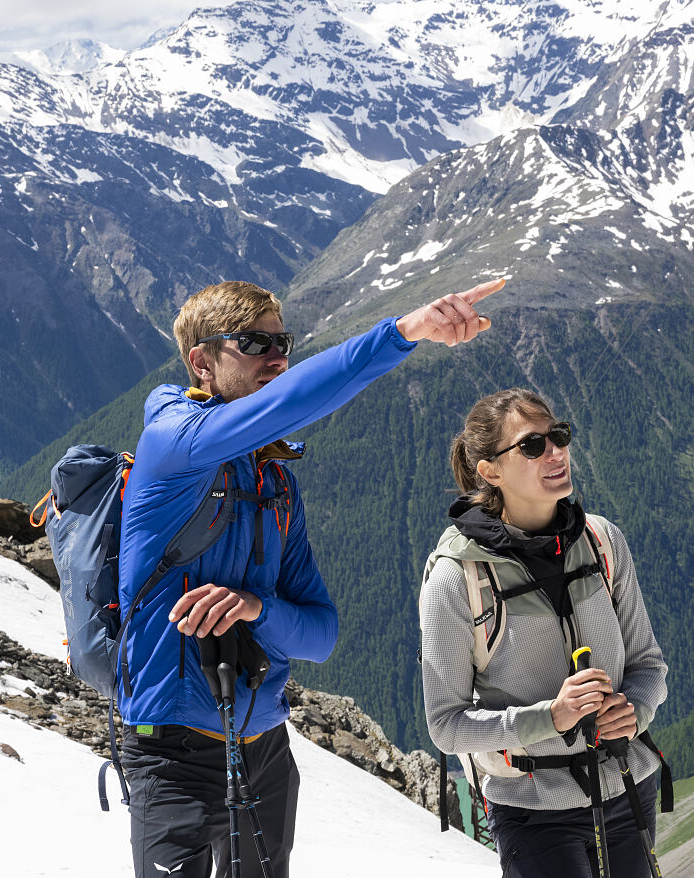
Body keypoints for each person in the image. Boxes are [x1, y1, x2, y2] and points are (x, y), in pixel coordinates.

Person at [116, 276, 503, 878]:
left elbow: (321, 634)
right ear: (202, 362)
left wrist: (256, 609)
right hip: (172, 752)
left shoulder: (275, 485)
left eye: (282, 342)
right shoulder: (172, 444)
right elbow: (287, 402)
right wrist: (404, 333)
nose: (277, 357)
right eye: (253, 343)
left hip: (266, 748)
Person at [420, 388, 668, 877]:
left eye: (559, 436)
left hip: (627, 785)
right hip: (534, 811)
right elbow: (446, 725)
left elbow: (649, 665)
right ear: (490, 471)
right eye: (532, 446)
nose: (555, 452)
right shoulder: (456, 577)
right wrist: (550, 718)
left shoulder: (602, 541)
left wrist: (635, 710)